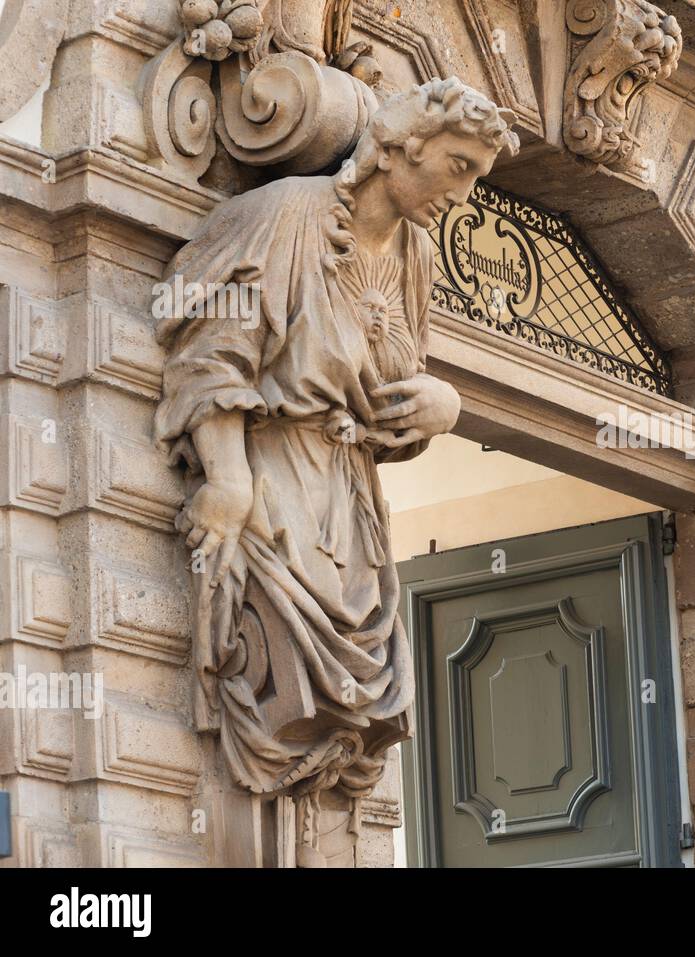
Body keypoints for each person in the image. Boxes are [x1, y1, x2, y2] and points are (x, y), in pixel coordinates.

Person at [153, 77, 518, 860]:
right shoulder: (286, 216)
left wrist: (441, 405)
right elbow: (210, 351)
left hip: (353, 500)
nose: (464, 194)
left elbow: (394, 393)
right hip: (278, 474)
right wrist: (227, 474)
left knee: (364, 697)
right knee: (281, 670)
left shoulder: (416, 258)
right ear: (399, 147)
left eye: (477, 178)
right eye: (458, 167)